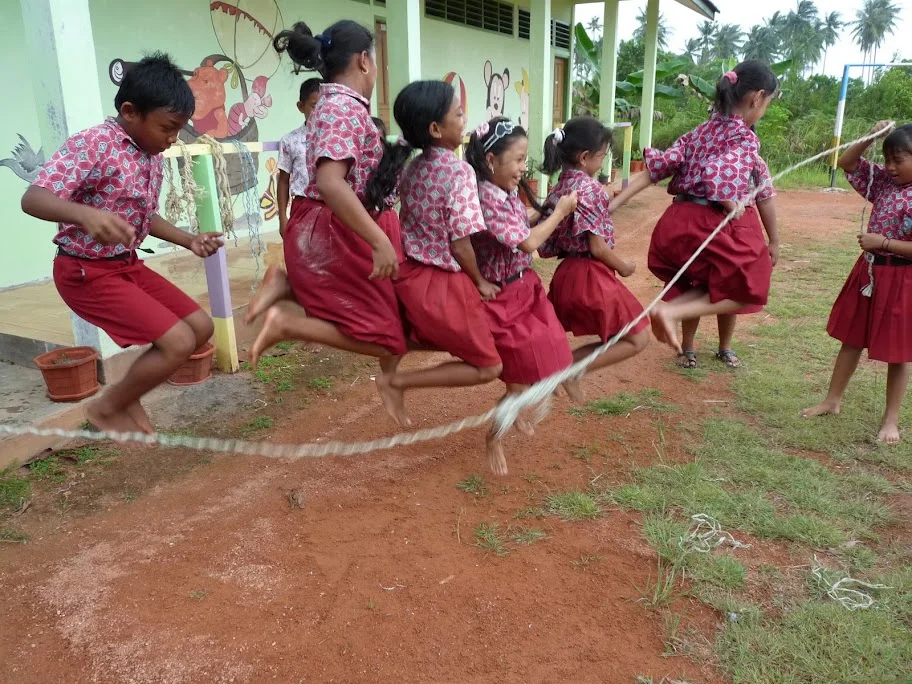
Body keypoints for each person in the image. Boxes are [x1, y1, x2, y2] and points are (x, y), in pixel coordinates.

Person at [21, 53, 223, 435]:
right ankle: (107, 408)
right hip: (85, 272)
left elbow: (144, 216)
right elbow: (33, 198)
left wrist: (188, 239)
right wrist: (85, 215)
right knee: (178, 340)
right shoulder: (94, 143)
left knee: (199, 327)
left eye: (179, 130)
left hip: (126, 266)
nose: (172, 139)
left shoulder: (150, 155)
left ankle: (126, 399)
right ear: (130, 112)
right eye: (168, 128)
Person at [246, 20, 416, 427]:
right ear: (363, 61)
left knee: (399, 317)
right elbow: (330, 182)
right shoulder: (342, 107)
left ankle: (287, 289)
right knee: (388, 335)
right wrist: (378, 240)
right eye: (374, 59)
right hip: (340, 227)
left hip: (352, 222)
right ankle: (287, 324)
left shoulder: (342, 105)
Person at [611, 60, 780, 356]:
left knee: (705, 281)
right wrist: (729, 201)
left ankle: (675, 314)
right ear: (757, 97)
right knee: (751, 283)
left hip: (676, 224)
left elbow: (658, 168)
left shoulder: (699, 132)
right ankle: (671, 312)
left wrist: (614, 204)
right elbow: (717, 171)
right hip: (706, 224)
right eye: (767, 103)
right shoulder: (745, 137)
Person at [465, 117, 579, 473]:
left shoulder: (502, 190)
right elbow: (528, 243)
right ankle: (494, 438)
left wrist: (547, 209)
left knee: (552, 352)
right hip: (501, 299)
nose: (522, 168)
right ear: (491, 160)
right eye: (517, 160)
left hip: (524, 288)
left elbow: (520, 223)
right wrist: (560, 213)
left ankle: (521, 407)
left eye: (524, 159)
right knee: (518, 380)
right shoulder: (486, 197)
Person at [802, 121, 912, 444]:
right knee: (851, 338)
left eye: (898, 160)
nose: (890, 167)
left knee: (898, 352)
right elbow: (847, 162)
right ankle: (832, 400)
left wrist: (883, 243)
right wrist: (869, 138)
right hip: (870, 272)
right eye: (887, 159)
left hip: (902, 279)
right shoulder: (884, 184)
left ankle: (891, 420)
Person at [537, 117, 650, 379]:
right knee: (637, 337)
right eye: (602, 156)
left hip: (566, 276)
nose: (603, 162)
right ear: (585, 157)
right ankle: (567, 371)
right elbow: (597, 247)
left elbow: (545, 246)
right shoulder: (591, 189)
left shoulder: (558, 189)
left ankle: (564, 371)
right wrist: (624, 267)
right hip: (590, 276)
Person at [276, 77, 323, 238]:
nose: (320, 112)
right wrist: (282, 218)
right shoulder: (290, 141)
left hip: (333, 206)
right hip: (302, 207)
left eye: (325, 106)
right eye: (314, 106)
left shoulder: (336, 139)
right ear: (301, 107)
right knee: (301, 249)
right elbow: (283, 181)